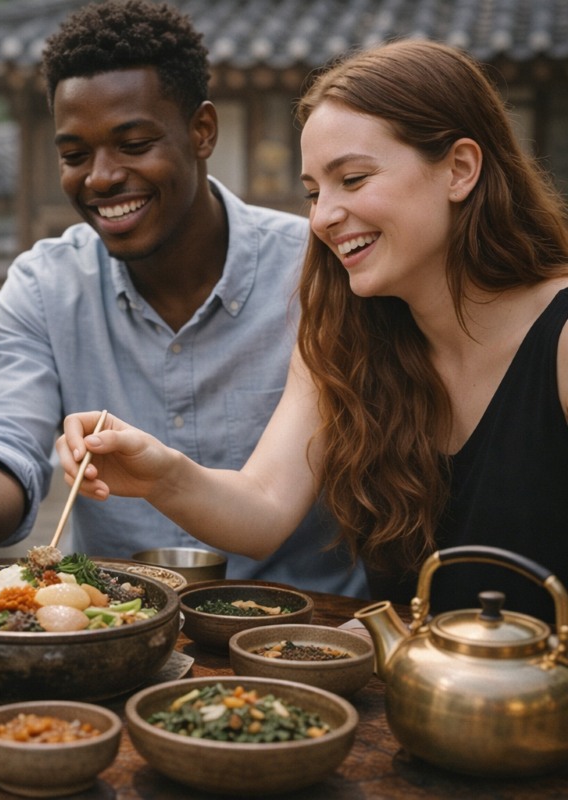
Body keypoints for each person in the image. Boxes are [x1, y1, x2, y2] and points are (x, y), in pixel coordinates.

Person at [57, 38, 568, 622]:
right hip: (413, 700)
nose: (322, 217)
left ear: (459, 169)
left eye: (352, 179)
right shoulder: (347, 336)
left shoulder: (559, 342)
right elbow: (264, 509)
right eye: (313, 192)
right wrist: (161, 472)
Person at [0, 0, 366, 598]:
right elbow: (4, 431)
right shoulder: (45, 285)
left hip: (303, 628)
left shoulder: (315, 270)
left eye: (133, 143)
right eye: (74, 155)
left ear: (202, 131)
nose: (101, 177)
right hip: (109, 625)